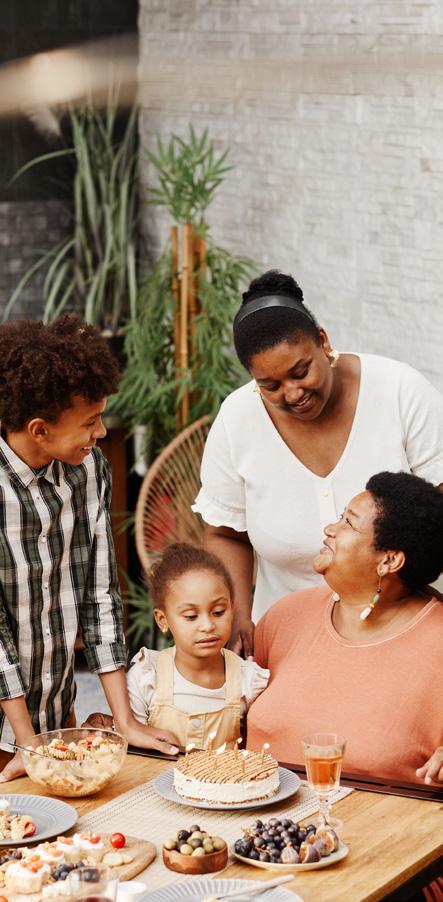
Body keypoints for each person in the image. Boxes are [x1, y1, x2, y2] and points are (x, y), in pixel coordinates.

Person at [193, 270, 443, 656]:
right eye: (270, 386)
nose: (293, 393)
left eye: (301, 371)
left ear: (323, 342)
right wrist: (238, 614)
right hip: (285, 642)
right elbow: (225, 534)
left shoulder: (400, 392)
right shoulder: (237, 419)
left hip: (403, 635)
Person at [0, 315, 179, 783]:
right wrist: (25, 742)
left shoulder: (88, 469)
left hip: (54, 719)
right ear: (39, 430)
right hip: (10, 732)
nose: (100, 432)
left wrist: (125, 721)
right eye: (90, 422)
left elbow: (100, 594)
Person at [247, 471, 443, 786]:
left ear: (389, 561)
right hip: (254, 812)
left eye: (349, 523)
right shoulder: (286, 617)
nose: (329, 529)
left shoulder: (437, 644)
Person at [86, 543, 269, 749]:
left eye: (218, 612)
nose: (208, 626)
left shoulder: (249, 681)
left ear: (232, 609)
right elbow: (132, 750)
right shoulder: (147, 678)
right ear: (162, 619)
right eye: (191, 616)